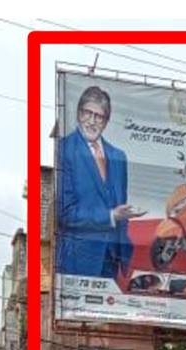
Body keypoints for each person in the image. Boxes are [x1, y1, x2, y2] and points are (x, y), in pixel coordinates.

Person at [56, 85, 141, 279]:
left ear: (106, 121)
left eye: (99, 116)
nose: (92, 121)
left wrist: (125, 254)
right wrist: (111, 215)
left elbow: (122, 211)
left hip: (112, 262)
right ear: (79, 114)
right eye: (88, 113)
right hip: (78, 262)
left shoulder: (118, 157)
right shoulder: (64, 149)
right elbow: (65, 213)